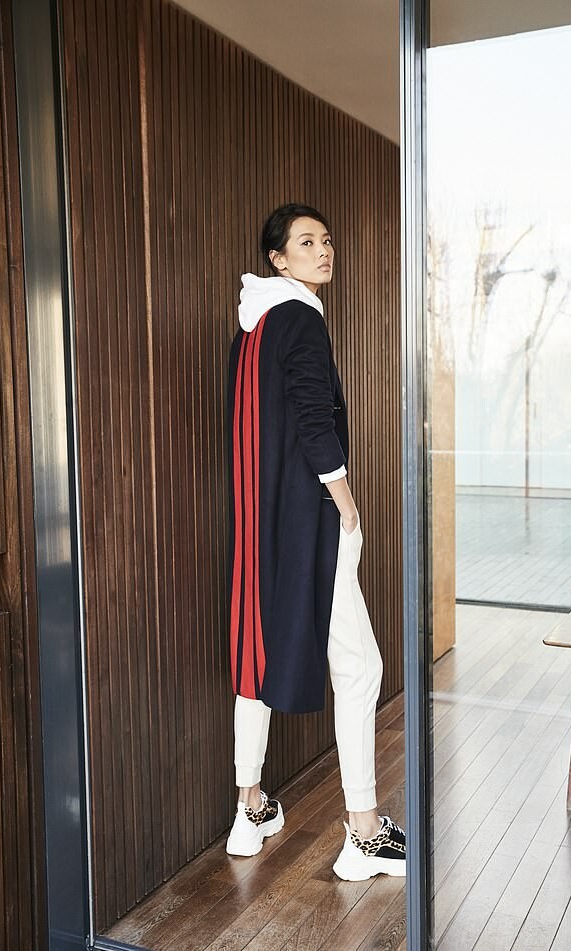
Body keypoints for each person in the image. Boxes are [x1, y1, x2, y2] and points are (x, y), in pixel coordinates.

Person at [225, 203, 406, 881]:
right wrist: (345, 500)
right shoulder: (300, 316)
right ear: (278, 258)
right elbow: (311, 416)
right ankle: (364, 834)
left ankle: (249, 808)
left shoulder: (253, 326)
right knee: (360, 668)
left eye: (326, 240)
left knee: (257, 651)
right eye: (306, 242)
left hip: (261, 524)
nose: (323, 250)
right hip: (310, 521)